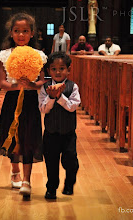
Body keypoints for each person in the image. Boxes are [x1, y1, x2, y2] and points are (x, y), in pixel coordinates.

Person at [0, 12, 47, 197]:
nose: (21, 35)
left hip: (30, 101)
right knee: (12, 136)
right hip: (12, 101)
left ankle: (27, 180)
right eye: (17, 31)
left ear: (32, 34)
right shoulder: (4, 55)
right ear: (11, 33)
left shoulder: (38, 55)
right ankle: (15, 171)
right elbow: (3, 84)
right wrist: (16, 85)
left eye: (25, 31)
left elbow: (41, 81)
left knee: (28, 138)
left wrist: (31, 85)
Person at [38, 52, 80, 200]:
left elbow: (73, 106)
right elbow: (43, 109)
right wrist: (51, 97)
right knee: (51, 162)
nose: (57, 72)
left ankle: (69, 183)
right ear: (49, 70)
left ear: (68, 70)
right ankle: (51, 188)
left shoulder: (72, 86)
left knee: (70, 160)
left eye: (62, 68)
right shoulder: (45, 88)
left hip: (68, 133)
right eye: (54, 69)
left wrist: (60, 97)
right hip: (51, 133)